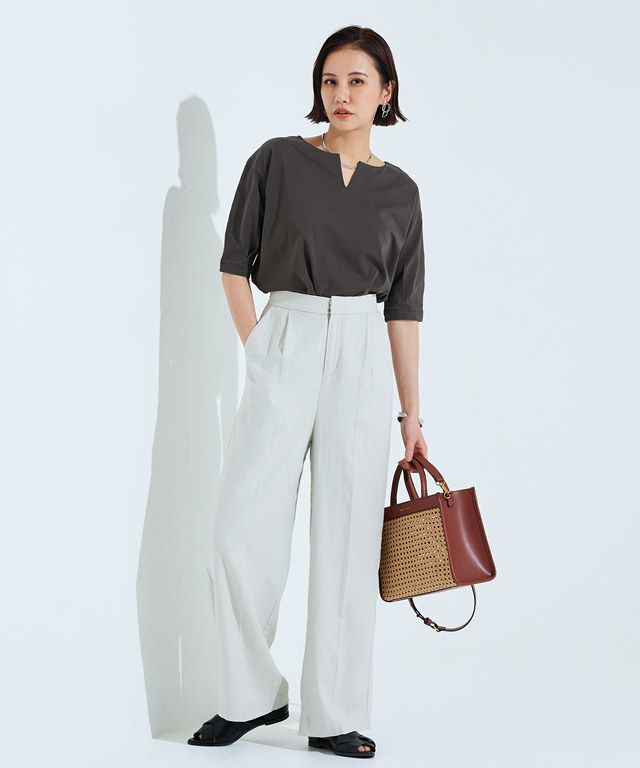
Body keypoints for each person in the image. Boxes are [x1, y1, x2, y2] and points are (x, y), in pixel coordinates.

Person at [188, 25, 427, 759]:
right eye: (330, 80)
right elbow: (234, 264)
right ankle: (251, 697)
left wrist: (411, 412)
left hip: (362, 352)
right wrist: (259, 345)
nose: (341, 95)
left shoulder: (401, 192)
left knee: (350, 539)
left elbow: (404, 308)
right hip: (285, 336)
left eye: (357, 81)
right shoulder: (277, 160)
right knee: (239, 527)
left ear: (385, 92)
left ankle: (335, 713)